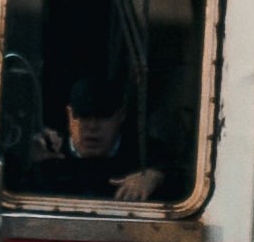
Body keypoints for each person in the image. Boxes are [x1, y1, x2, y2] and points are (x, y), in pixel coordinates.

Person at [26, 76, 167, 202]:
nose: (92, 126)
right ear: (69, 115)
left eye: (103, 116)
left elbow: (180, 175)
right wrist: (28, 162)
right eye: (84, 116)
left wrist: (154, 177)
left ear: (121, 115)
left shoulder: (147, 155)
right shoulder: (46, 153)